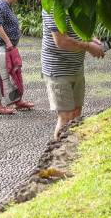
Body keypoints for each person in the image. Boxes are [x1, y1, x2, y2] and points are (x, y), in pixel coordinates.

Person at [41, 9, 106, 138]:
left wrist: (91, 39)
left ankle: (73, 147)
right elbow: (61, 41)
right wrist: (88, 46)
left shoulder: (74, 2)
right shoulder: (53, 6)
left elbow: (77, 28)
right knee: (66, 117)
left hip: (76, 67)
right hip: (58, 69)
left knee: (76, 114)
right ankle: (59, 149)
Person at [0, 0, 34, 115]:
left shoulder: (6, 3)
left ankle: (17, 101)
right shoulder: (0, 4)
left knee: (13, 72)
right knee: (1, 74)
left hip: (6, 46)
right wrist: (8, 42)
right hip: (1, 45)